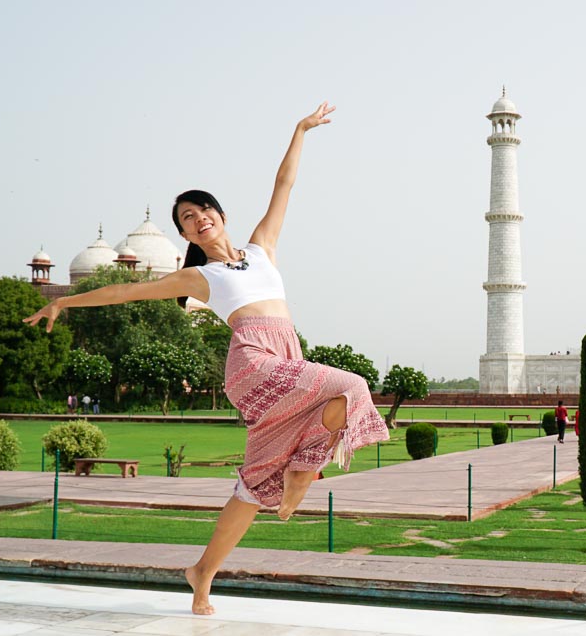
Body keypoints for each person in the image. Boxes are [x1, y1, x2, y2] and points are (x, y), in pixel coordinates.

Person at [23, 102, 388, 616]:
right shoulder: (200, 277)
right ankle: (302, 477)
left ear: (220, 214)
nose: (197, 220)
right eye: (186, 220)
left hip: (288, 354)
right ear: (186, 236)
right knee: (352, 385)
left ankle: (201, 574)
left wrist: (300, 130)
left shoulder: (262, 250)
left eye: (201, 211)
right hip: (254, 361)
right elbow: (125, 289)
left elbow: (283, 187)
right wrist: (64, 300)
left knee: (252, 485)